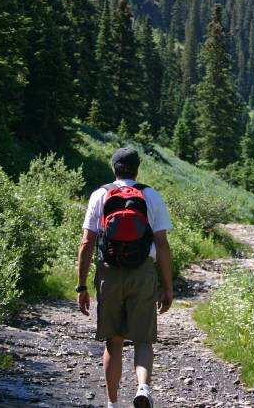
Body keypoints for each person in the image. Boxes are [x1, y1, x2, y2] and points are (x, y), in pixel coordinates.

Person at [76, 147, 174, 408]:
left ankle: (112, 403)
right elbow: (162, 245)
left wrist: (82, 285)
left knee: (114, 340)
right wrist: (168, 287)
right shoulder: (150, 195)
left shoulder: (101, 194)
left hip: (109, 272)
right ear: (137, 168)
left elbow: (87, 242)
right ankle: (143, 388)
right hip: (143, 272)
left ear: (114, 168)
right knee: (142, 339)